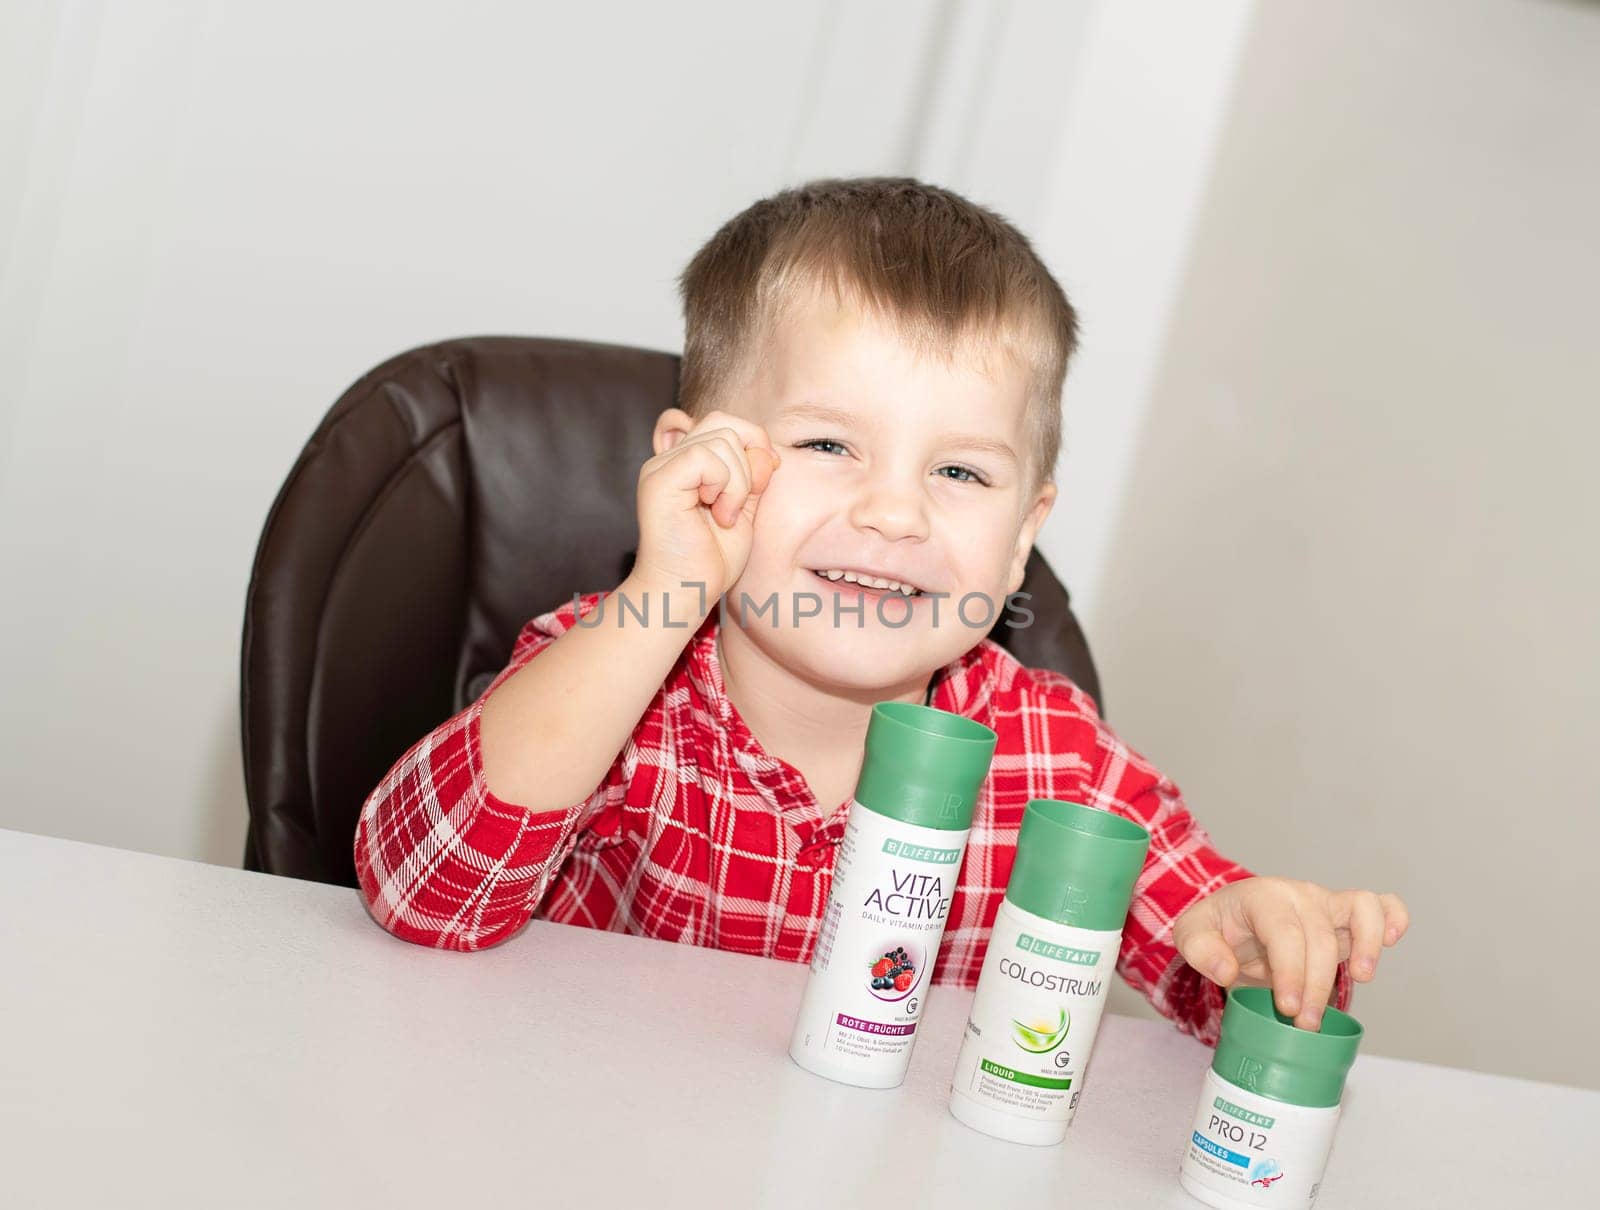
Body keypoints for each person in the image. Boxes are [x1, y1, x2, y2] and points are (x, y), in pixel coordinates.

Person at [354, 177, 1408, 1044]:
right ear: (694, 468)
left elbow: (1213, 976)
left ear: (1023, 533)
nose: (895, 510)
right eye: (826, 446)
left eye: (958, 470)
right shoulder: (618, 688)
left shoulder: (1058, 760)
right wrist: (659, 597)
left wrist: (1257, 950)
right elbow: (420, 891)